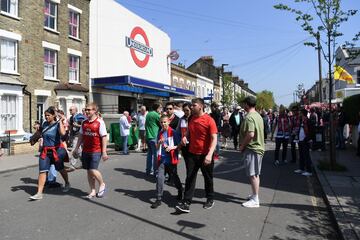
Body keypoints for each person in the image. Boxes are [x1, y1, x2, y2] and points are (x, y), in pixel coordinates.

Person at [175, 98, 217, 213]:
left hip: (205, 155)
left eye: (194, 105)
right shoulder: (192, 118)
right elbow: (189, 132)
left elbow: (214, 139)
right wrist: (185, 137)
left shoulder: (209, 120)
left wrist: (209, 154)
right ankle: (186, 202)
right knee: (190, 177)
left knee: (208, 178)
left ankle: (210, 198)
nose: (191, 107)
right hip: (192, 154)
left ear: (201, 106)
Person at [29, 106, 71, 200]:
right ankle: (39, 193)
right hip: (45, 151)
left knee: (60, 168)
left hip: (56, 151)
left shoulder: (57, 124)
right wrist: (33, 138)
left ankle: (67, 183)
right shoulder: (44, 124)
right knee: (42, 171)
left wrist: (60, 121)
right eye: (45, 115)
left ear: (53, 115)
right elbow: (39, 133)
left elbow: (63, 135)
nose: (46, 117)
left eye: (48, 115)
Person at [73, 102, 109, 198]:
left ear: (94, 110)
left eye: (89, 109)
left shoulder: (100, 122)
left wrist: (104, 151)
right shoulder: (84, 123)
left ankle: (102, 184)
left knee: (93, 169)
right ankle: (92, 190)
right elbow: (81, 136)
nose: (87, 111)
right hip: (86, 150)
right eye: (86, 109)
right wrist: (76, 148)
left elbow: (104, 137)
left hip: (96, 150)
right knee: (88, 171)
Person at [151, 115, 183, 209]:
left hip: (171, 159)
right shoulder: (160, 132)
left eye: (164, 122)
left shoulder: (173, 132)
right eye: (161, 122)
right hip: (162, 159)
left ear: (168, 122)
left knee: (174, 177)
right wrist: (160, 143)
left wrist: (171, 148)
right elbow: (157, 147)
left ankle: (180, 190)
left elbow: (179, 145)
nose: (163, 124)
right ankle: (158, 198)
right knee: (160, 178)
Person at [239, 96, 265, 208]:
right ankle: (255, 195)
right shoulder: (258, 115)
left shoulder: (249, 117)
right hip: (257, 148)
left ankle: (255, 199)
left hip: (252, 148)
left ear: (247, 104)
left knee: (253, 174)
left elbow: (250, 134)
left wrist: (242, 146)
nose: (243, 106)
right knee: (256, 174)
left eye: (244, 104)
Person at [294, 109, 312, 176]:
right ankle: (301, 168)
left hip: (305, 140)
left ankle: (309, 171)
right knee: (301, 155)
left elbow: (310, 131)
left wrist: (307, 139)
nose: (299, 114)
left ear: (303, 114)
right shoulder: (301, 121)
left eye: (300, 113)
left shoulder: (308, 121)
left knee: (306, 156)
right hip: (300, 140)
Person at [145, 103, 162, 176]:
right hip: (154, 136)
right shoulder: (156, 115)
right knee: (156, 155)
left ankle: (148, 170)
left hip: (148, 136)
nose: (161, 109)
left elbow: (145, 124)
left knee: (149, 154)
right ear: (157, 108)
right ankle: (155, 172)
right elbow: (161, 124)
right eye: (160, 108)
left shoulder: (148, 114)